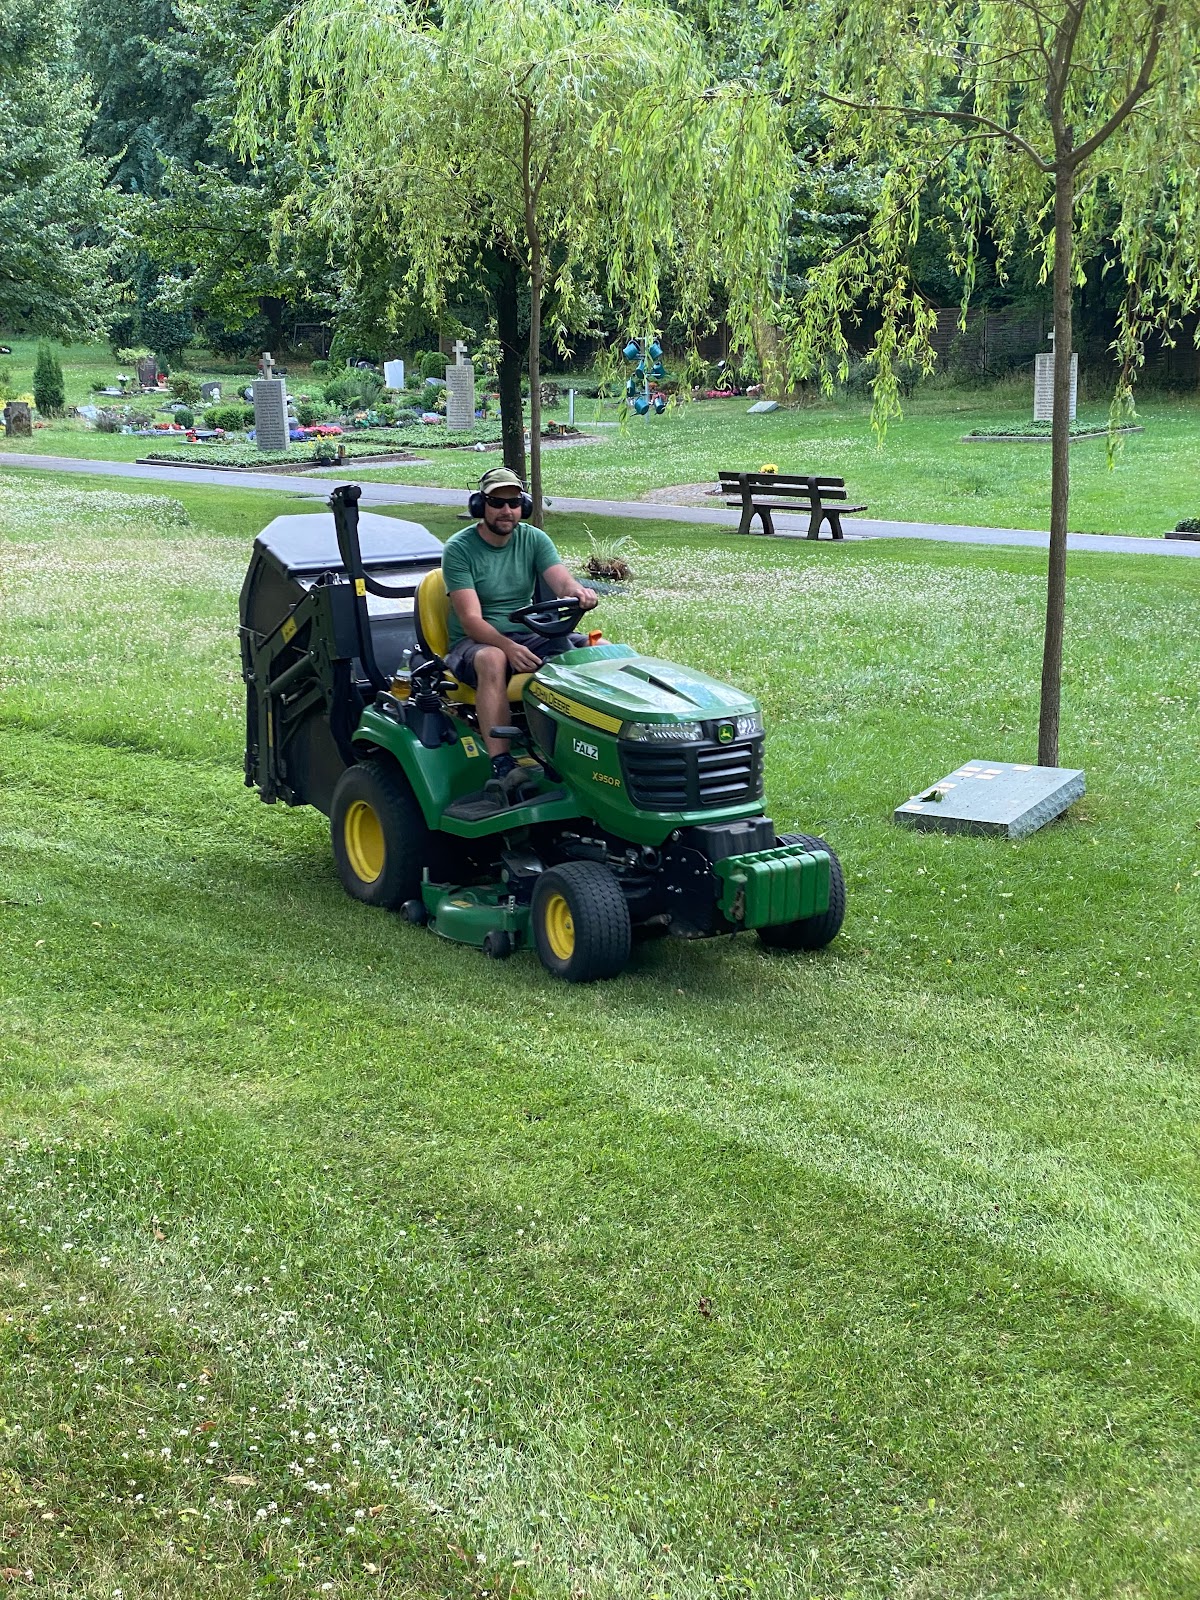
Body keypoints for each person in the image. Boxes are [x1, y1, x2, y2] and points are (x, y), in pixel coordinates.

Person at [442, 466, 597, 788]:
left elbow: (561, 582)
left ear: (523, 507)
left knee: (600, 651)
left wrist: (578, 592)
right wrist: (508, 647)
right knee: (493, 659)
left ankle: (587, 748)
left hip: (528, 633)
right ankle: (502, 763)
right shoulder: (459, 549)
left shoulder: (534, 539)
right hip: (475, 642)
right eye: (497, 503)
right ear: (479, 505)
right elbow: (471, 620)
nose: (506, 511)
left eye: (513, 503)